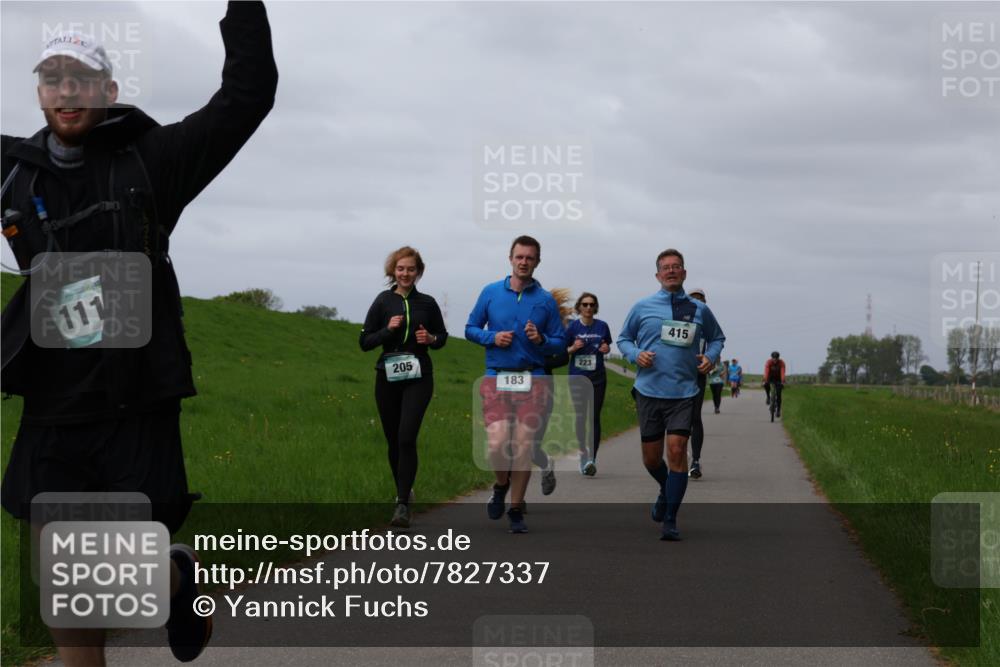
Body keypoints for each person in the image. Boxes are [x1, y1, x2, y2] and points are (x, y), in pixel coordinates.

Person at [1, 4, 277, 664]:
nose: (66, 90)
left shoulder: (155, 159)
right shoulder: (13, 170)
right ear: (39, 91)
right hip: (53, 406)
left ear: (109, 90)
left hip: (136, 402)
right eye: (52, 77)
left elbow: (247, 95)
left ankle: (174, 579)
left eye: (81, 77)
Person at [617, 249, 724, 541]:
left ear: (684, 273)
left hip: (684, 392)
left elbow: (717, 338)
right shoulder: (642, 307)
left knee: (676, 452)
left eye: (676, 266)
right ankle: (666, 490)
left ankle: (670, 519)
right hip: (649, 391)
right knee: (651, 460)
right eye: (666, 267)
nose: (671, 271)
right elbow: (624, 339)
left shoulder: (699, 309)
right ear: (658, 275)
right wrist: (635, 355)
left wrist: (710, 357)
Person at [465, 235, 566, 534]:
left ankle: (516, 508)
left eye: (529, 258)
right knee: (497, 444)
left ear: (537, 262)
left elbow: (560, 342)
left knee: (523, 446)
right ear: (510, 259)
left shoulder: (545, 300)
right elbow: (470, 328)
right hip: (497, 375)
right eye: (519, 257)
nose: (524, 262)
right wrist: (492, 337)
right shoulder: (491, 292)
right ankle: (501, 485)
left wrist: (542, 340)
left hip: (533, 378)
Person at [360, 247, 447, 529]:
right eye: (400, 269)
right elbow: (365, 342)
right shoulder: (383, 301)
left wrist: (431, 339)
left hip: (419, 376)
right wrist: (387, 330)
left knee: (407, 437)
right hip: (387, 376)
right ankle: (404, 488)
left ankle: (402, 505)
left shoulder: (428, 303)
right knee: (393, 440)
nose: (405, 274)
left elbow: (442, 337)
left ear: (418, 271)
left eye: (410, 269)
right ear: (393, 271)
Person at [565, 292, 613, 476]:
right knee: (580, 417)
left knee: (594, 417)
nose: (588, 308)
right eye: (585, 304)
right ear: (579, 307)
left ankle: (591, 459)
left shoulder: (602, 326)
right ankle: (582, 455)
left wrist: (606, 349)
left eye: (592, 304)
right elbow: (563, 351)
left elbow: (606, 346)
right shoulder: (572, 327)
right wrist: (573, 348)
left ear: (595, 307)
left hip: (597, 377)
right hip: (577, 378)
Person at [686, 287, 711, 479]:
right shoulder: (679, 319)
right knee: (677, 418)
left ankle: (695, 461)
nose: (697, 302)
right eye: (693, 298)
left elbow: (717, 343)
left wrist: (710, 359)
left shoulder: (708, 322)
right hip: (678, 375)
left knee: (695, 417)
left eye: (700, 299)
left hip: (698, 375)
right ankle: (678, 456)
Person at [763, 351, 786, 417]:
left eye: (776, 358)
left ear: (778, 358)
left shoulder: (781, 363)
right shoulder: (769, 362)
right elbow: (766, 371)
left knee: (779, 395)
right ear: (772, 358)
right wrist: (765, 380)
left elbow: (782, 372)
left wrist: (782, 381)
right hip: (770, 378)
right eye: (774, 358)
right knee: (766, 385)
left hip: (778, 379)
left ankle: (778, 410)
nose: (775, 360)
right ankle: (768, 397)